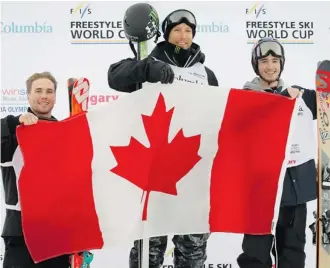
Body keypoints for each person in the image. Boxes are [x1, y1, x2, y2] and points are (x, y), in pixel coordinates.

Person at [108, 7, 218, 268]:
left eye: (188, 31)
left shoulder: (206, 74)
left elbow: (218, 116)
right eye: (177, 30)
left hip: (192, 173)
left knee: (192, 251)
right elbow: (115, 76)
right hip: (153, 173)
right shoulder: (149, 62)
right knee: (149, 250)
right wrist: (146, 70)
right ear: (166, 34)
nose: (183, 36)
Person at [237, 37, 317, 268]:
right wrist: (278, 101)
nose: (270, 66)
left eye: (275, 60)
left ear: (282, 64)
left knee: (293, 253)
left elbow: (325, 101)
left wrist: (309, 92)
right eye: (264, 61)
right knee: (255, 254)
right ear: (256, 65)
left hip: (293, 190)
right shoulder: (245, 98)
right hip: (260, 192)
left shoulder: (297, 97)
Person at [1, 72, 70, 267]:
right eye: (38, 90)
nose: (44, 96)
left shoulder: (65, 134)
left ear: (55, 97)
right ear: (28, 95)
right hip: (19, 234)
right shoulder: (11, 132)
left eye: (49, 91)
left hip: (57, 234)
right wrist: (14, 121)